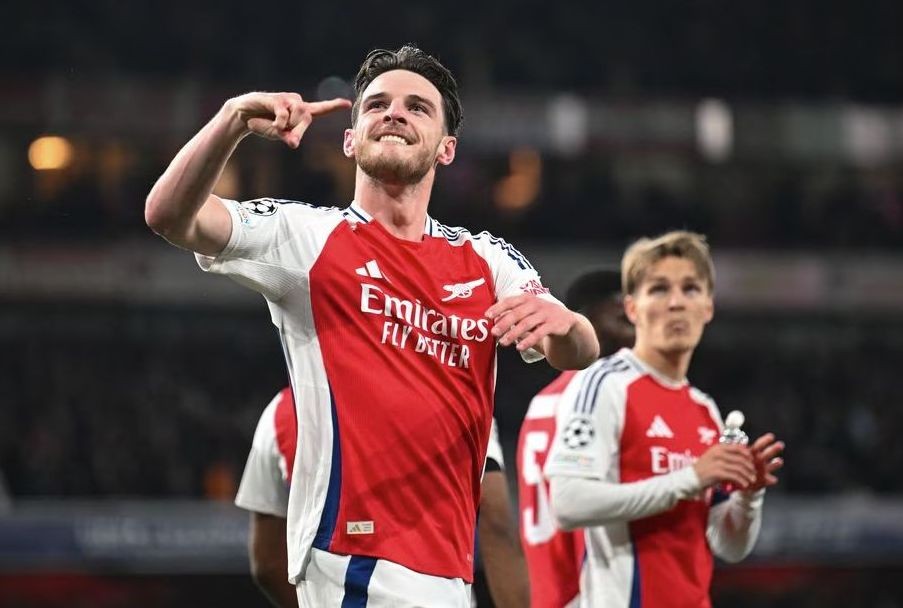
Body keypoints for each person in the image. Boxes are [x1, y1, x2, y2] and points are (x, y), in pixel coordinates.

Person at [145, 45, 598, 606]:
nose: (394, 113)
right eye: (377, 104)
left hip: (449, 568)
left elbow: (575, 351)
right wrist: (232, 119)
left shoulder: (487, 258)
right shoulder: (306, 237)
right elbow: (169, 215)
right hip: (356, 560)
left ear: (447, 149)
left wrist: (568, 323)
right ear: (350, 139)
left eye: (417, 107)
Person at [544, 231, 785, 608]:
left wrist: (749, 497)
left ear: (708, 307)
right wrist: (690, 478)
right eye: (659, 289)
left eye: (691, 289)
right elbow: (568, 502)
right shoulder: (604, 384)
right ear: (632, 308)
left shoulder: (705, 410)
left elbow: (728, 545)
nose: (676, 302)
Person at [235, 387, 529, 608]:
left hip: (341, 586)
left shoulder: (281, 413)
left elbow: (267, 563)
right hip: (439, 592)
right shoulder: (458, 395)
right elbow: (495, 520)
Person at [517, 269, 635, 608]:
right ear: (586, 321)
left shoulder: (542, 403)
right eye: (624, 319)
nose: (639, 331)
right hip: (593, 590)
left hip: (551, 593)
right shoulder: (606, 399)